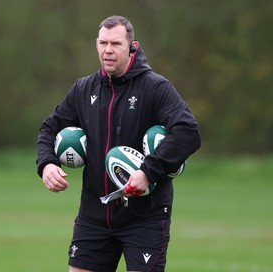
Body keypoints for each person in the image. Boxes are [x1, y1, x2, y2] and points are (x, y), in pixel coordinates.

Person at [36, 15, 201, 272]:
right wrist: (46, 164)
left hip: (144, 216)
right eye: (103, 43)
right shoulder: (83, 89)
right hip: (94, 215)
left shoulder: (155, 88)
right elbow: (49, 128)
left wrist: (148, 171)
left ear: (132, 46)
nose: (108, 50)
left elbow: (188, 132)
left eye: (116, 44)